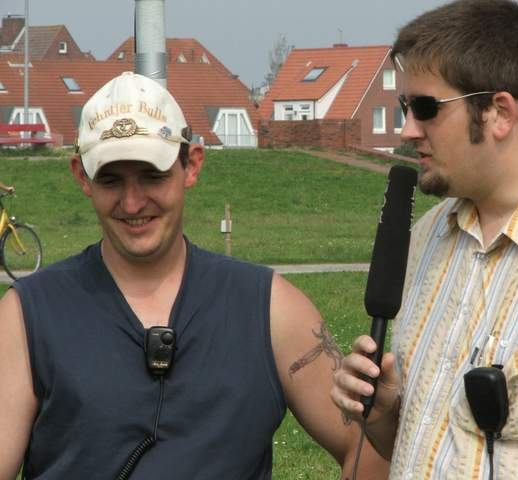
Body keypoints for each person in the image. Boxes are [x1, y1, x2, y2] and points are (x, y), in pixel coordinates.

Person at [0, 71, 389, 479]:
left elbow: (368, 449)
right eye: (111, 180)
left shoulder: (271, 309)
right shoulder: (26, 318)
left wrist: (383, 420)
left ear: (192, 165)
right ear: (82, 175)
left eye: (152, 176)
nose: (132, 203)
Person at [332, 1, 518, 479]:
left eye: (426, 108)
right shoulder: (427, 237)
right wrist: (385, 412)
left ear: (499, 113)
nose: (407, 130)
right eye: (404, 108)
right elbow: (428, 449)